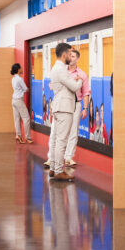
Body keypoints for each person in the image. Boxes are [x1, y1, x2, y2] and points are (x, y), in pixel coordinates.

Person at [47, 43, 82, 182]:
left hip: (59, 106)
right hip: (64, 107)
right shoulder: (61, 69)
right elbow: (73, 87)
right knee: (62, 140)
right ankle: (59, 171)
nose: (70, 57)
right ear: (64, 54)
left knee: (56, 139)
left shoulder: (57, 68)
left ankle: (54, 168)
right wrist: (79, 80)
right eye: (69, 54)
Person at [10, 63, 33, 143]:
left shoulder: (13, 79)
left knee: (17, 119)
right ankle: (28, 137)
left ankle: (18, 135)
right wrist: (27, 89)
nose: (22, 69)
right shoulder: (19, 79)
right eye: (21, 68)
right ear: (18, 69)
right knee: (26, 118)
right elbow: (26, 89)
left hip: (13, 100)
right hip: (19, 100)